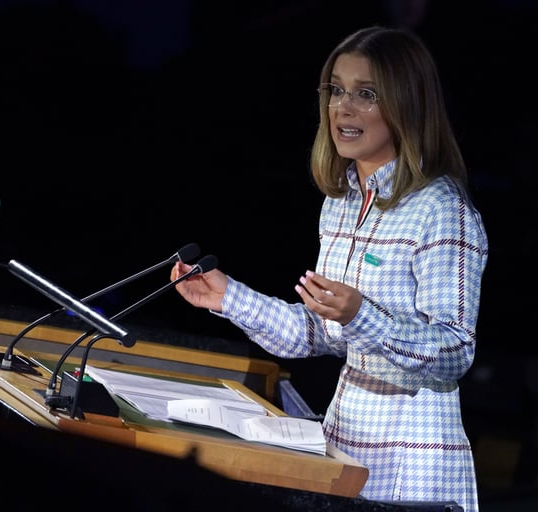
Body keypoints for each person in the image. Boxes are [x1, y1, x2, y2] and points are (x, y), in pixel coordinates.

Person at [170, 25, 488, 512]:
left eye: (366, 95)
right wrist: (228, 297)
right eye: (336, 90)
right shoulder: (339, 202)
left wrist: (363, 316)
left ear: (406, 104)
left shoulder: (441, 209)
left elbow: (453, 353)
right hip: (343, 444)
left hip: (412, 463)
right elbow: (318, 335)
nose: (343, 107)